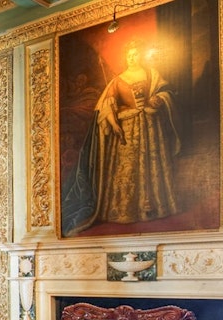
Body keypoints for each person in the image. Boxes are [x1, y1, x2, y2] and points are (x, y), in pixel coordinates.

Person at [62, 40, 180, 235]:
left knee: (150, 165)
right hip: (127, 130)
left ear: (142, 55)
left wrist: (158, 99)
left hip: (150, 127)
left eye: (136, 54)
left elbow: (168, 93)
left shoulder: (152, 74)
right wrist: (115, 124)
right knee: (128, 168)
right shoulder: (118, 80)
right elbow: (106, 105)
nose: (132, 58)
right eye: (129, 55)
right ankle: (125, 209)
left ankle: (154, 206)